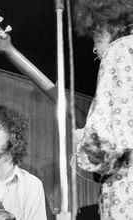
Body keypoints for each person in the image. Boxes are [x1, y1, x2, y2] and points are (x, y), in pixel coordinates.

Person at [73, 0, 133, 219]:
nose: (93, 48)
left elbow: (101, 145)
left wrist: (82, 143)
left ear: (106, 24)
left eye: (94, 36)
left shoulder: (118, 52)